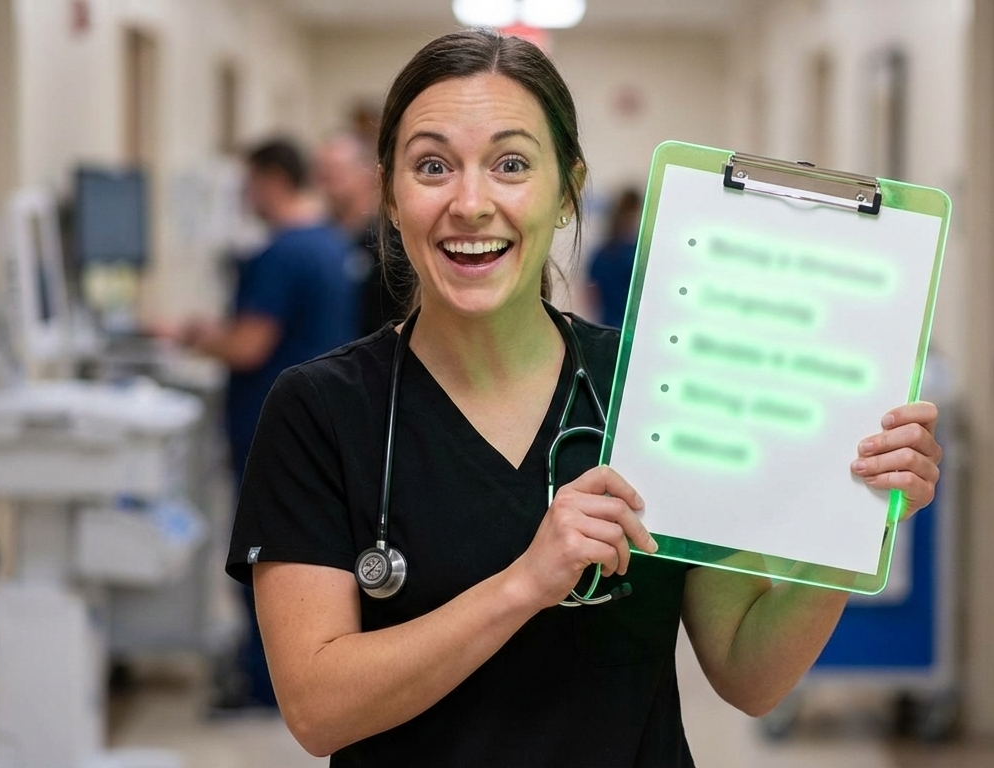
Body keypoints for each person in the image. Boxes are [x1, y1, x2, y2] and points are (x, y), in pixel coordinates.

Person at [226, 29, 942, 765]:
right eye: (433, 166)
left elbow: (749, 675)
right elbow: (317, 710)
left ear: (568, 192)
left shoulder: (660, 387)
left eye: (511, 164)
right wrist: (525, 585)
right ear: (391, 196)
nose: (470, 203)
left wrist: (856, 520)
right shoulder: (320, 411)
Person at [167, 137, 360, 712]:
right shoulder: (329, 244)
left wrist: (194, 336)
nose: (245, 197)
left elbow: (249, 345)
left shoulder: (282, 254)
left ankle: (261, 683)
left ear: (272, 180)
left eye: (249, 184)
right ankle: (285, 671)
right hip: (321, 424)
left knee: (266, 556)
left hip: (271, 429)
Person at [317, 132, 411, 334]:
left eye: (335, 172)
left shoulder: (392, 240)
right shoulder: (320, 238)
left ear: (367, 174)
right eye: (321, 173)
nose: (325, 182)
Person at [586, 187, 643, 328]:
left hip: (606, 326)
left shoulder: (602, 253)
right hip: (631, 326)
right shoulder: (635, 255)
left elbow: (591, 295)